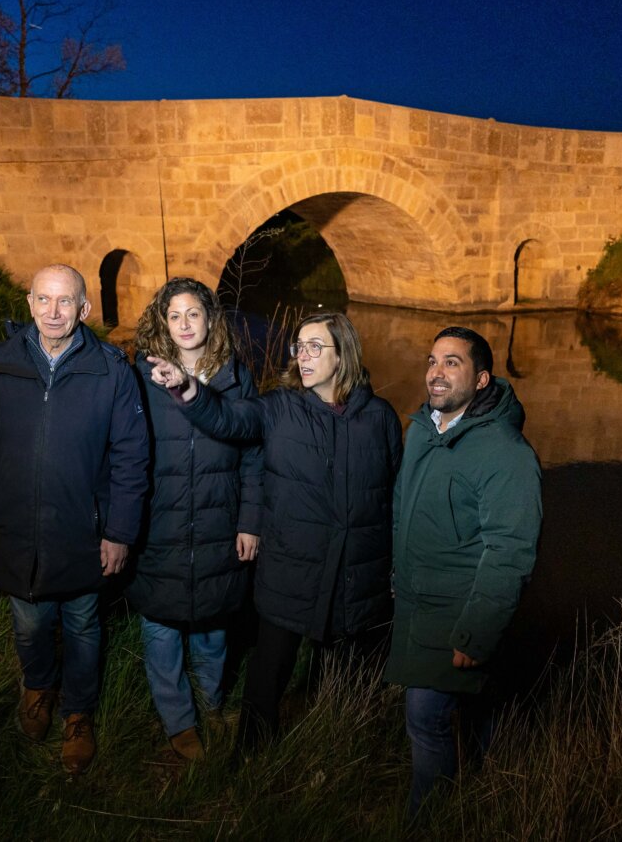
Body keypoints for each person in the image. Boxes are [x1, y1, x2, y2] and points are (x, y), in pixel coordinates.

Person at [147, 312, 402, 752]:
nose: (302, 356)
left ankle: (327, 752)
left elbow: (393, 495)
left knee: (337, 676)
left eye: (314, 347)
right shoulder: (279, 408)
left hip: (354, 577)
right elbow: (229, 418)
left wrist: (394, 566)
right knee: (268, 675)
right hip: (289, 572)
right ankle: (251, 759)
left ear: (343, 354)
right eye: (298, 347)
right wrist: (188, 389)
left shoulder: (379, 417)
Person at [0, 263, 149, 775]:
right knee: (29, 622)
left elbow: (132, 458)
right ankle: (39, 687)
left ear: (85, 309)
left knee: (84, 625)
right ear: (29, 303)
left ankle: (79, 714)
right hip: (15, 527)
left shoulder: (112, 370)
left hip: (81, 531)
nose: (54, 312)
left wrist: (119, 532)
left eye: (66, 302)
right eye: (44, 300)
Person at [384, 326, 542, 817]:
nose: (436, 371)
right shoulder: (422, 431)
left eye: (453, 362)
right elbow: (401, 507)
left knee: (426, 718)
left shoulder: (505, 453)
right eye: (433, 360)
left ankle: (425, 820)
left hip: (459, 612)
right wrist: (397, 573)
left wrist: (475, 633)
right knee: (468, 712)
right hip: (418, 604)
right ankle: (479, 798)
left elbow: (510, 552)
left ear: (481, 380)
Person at [126, 278, 263, 761]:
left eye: (194, 314)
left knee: (213, 626)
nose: (185, 325)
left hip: (217, 521)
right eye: (174, 316)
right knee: (160, 627)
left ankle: (211, 702)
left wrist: (249, 519)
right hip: (159, 523)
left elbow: (252, 453)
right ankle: (179, 722)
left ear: (210, 319)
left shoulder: (235, 375)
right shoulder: (141, 377)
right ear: (163, 323)